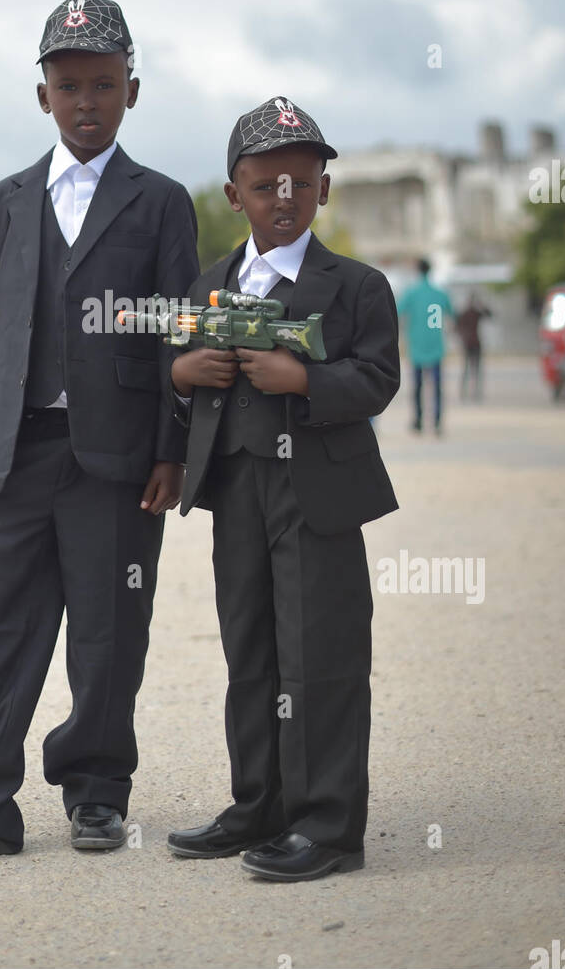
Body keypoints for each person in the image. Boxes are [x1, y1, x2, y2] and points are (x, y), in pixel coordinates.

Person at [0, 0, 199, 857]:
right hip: (8, 456)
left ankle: (95, 793)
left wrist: (171, 451)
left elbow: (178, 332)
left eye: (103, 84)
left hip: (118, 464)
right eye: (68, 86)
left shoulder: (162, 202)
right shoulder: (4, 202)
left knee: (107, 632)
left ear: (132, 90)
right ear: (42, 97)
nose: (85, 101)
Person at [164, 96, 400, 882]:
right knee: (252, 650)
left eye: (301, 183)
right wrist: (181, 372)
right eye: (265, 187)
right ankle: (256, 804)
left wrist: (304, 377)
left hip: (318, 496)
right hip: (235, 491)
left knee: (321, 654)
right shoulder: (207, 285)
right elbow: (186, 392)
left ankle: (328, 826)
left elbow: (376, 379)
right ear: (234, 196)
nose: (284, 200)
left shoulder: (357, 285)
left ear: (323, 188)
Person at [397, 259, 454, 434]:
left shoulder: (411, 293)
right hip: (436, 345)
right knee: (436, 386)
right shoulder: (440, 293)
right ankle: (437, 421)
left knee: (418, 386)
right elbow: (452, 314)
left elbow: (397, 312)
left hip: (416, 345)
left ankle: (418, 420)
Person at [455, 293, 492, 401]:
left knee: (474, 369)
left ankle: (474, 392)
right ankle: (466, 392)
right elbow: (457, 327)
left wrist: (483, 305)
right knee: (468, 369)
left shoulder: (475, 313)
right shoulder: (465, 313)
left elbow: (489, 315)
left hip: (474, 343)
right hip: (469, 343)